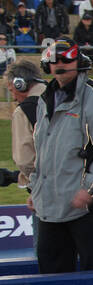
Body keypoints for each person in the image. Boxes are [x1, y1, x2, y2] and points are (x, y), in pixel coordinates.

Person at [28, 40, 93, 273]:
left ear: (79, 62)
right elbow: (41, 150)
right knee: (52, 280)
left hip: (89, 207)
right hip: (51, 208)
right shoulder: (44, 100)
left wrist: (90, 189)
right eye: (55, 61)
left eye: (67, 60)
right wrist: (35, 190)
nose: (61, 65)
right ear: (47, 65)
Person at [5, 60, 44, 189]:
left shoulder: (23, 111)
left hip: (46, 187)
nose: (14, 97)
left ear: (20, 85)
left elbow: (25, 161)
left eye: (12, 90)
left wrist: (30, 183)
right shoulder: (63, 97)